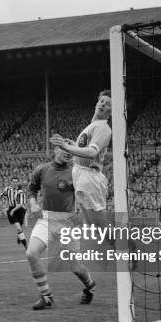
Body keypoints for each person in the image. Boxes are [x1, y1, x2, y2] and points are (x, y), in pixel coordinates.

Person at [26, 144, 97, 310]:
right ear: (56, 150)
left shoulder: (75, 172)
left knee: (76, 268)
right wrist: (33, 203)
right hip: (47, 219)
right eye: (65, 150)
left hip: (69, 222)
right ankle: (46, 296)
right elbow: (31, 189)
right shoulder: (42, 170)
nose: (68, 153)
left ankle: (90, 286)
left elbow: (84, 195)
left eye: (71, 151)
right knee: (31, 253)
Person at [50, 90, 112, 238]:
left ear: (112, 110)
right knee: (92, 225)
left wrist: (67, 147)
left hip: (89, 177)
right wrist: (73, 144)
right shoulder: (93, 125)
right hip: (82, 174)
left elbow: (91, 152)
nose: (102, 104)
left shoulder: (103, 128)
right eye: (101, 101)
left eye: (107, 103)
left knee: (99, 224)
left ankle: (129, 248)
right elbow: (85, 149)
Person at [0, 177, 28, 249]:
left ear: (18, 183)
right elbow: (1, 195)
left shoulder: (20, 192)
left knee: (20, 227)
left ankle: (19, 236)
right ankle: (26, 246)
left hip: (20, 209)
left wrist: (13, 210)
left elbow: (21, 204)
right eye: (13, 182)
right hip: (12, 209)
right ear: (11, 182)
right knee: (18, 227)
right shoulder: (8, 189)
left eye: (16, 182)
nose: (15, 183)